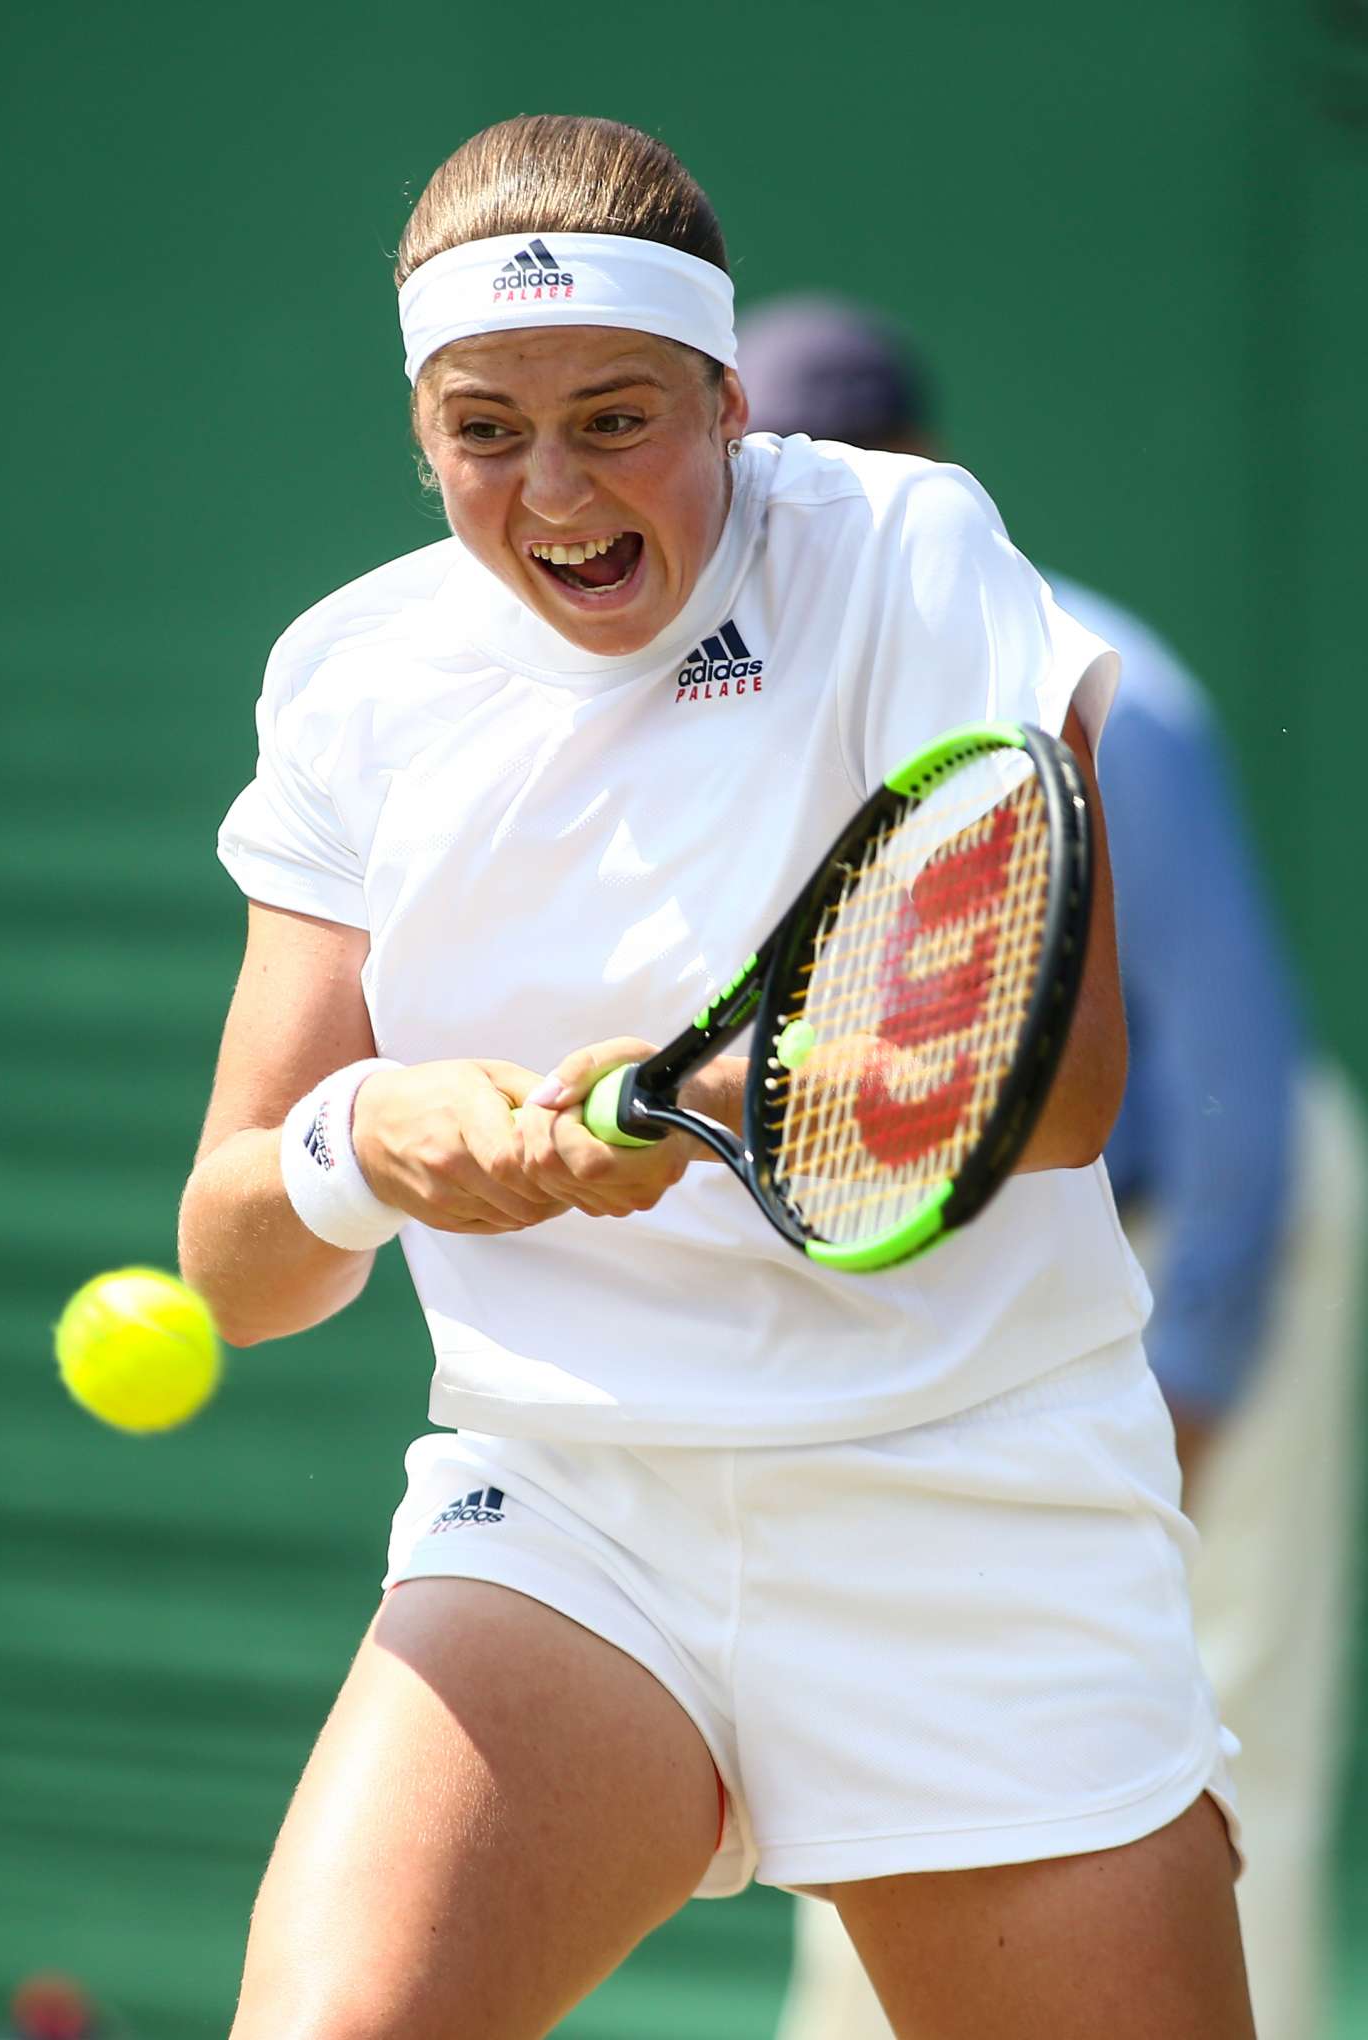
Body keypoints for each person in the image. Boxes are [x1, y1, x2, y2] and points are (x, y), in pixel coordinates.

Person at [179, 117, 1256, 2040]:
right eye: (484, 430)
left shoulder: (899, 548)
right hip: (572, 1520)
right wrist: (371, 1144)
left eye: (617, 417)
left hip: (963, 1497)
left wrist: (672, 1102)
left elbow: (1057, 1080)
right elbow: (240, 1264)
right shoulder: (352, 679)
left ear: (728, 403)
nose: (554, 488)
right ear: (422, 434)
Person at [738, 297, 1365, 2040]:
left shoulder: (1098, 687)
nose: (823, 515)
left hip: (1218, 1224)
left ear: (931, 481)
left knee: (1208, 1714)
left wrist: (1195, 1382)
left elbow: (1230, 1075)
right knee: (892, 1713)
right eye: (793, 478)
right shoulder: (783, 691)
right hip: (996, 1246)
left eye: (858, 476)